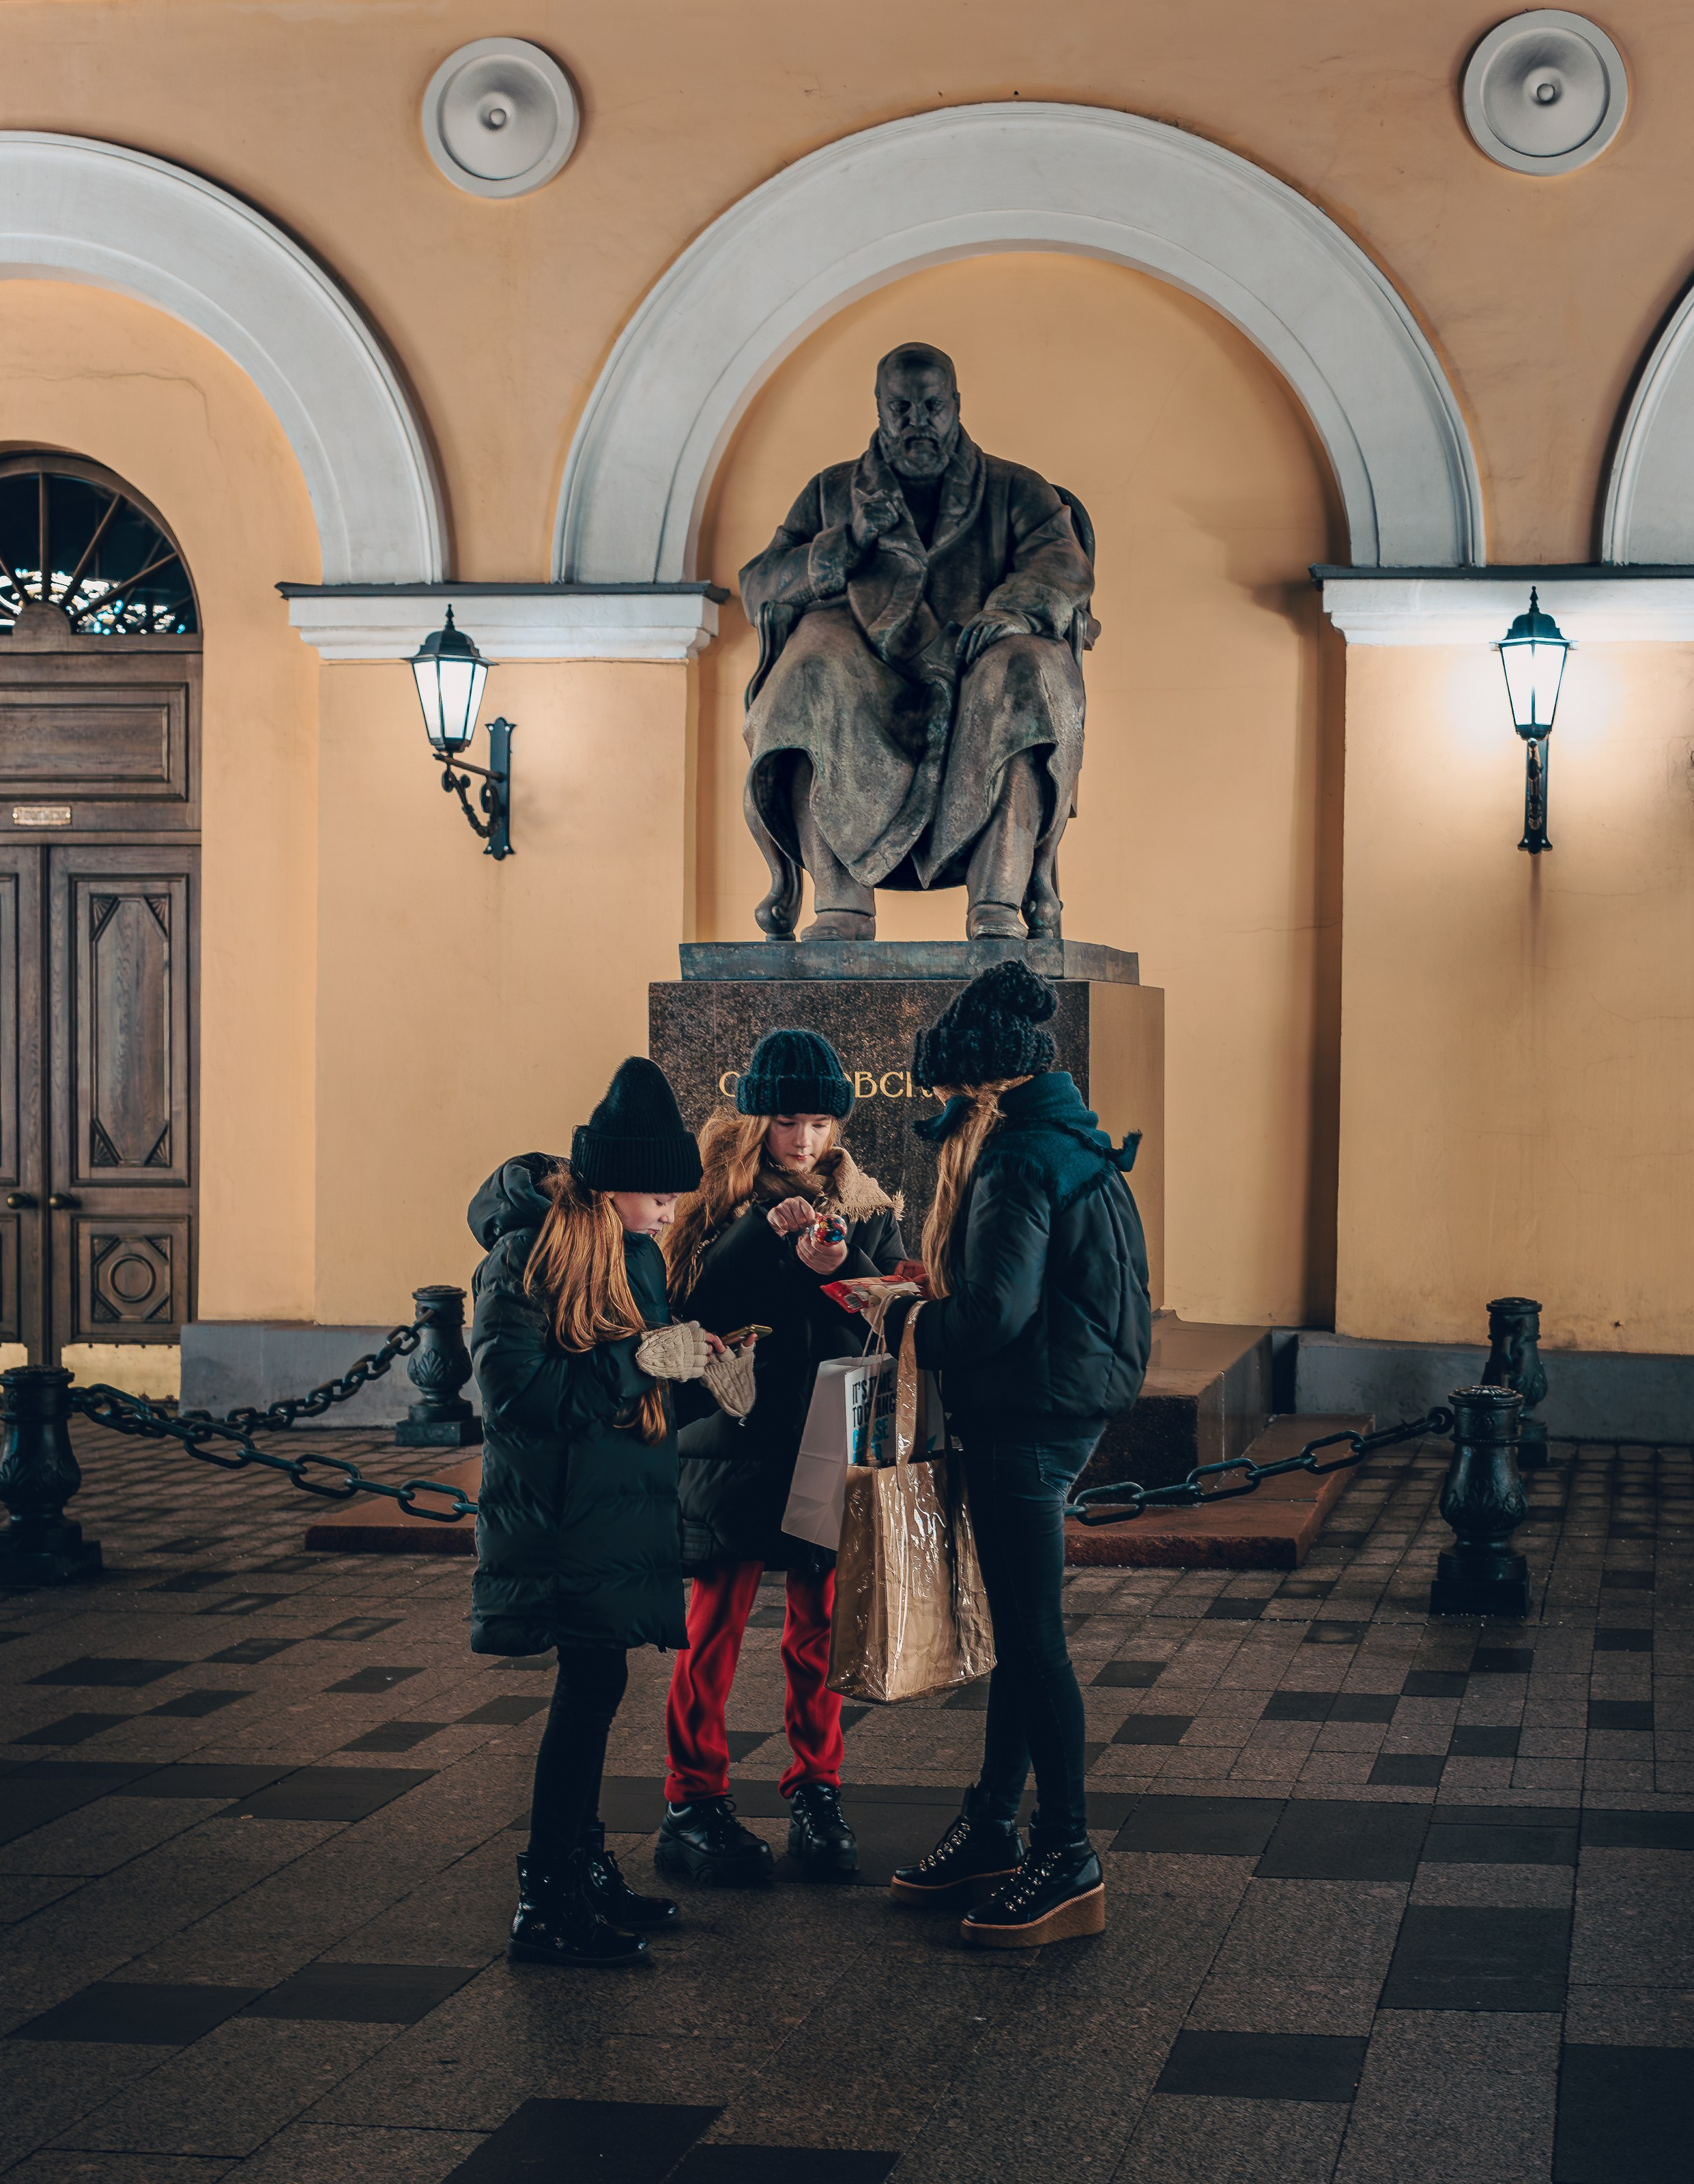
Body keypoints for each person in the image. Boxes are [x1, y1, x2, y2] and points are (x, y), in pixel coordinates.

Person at [468, 1056, 758, 1969]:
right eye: (659, 1196)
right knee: (587, 1692)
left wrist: (714, 1374)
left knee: (596, 1691)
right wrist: (654, 1359)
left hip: (612, 1509)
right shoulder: (528, 1251)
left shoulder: (630, 1249)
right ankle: (548, 1899)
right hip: (560, 1515)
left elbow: (638, 1385)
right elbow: (517, 1396)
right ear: (612, 1181)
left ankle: (581, 1871)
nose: (671, 1212)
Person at [885, 962, 1151, 1947]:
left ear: (978, 1092)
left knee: (1034, 1640)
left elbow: (996, 1313)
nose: (945, 1120)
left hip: (1026, 1417)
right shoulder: (1070, 1140)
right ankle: (995, 1825)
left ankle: (1066, 1853)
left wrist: (907, 1315)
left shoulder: (1014, 1159)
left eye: (950, 1099)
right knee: (1017, 1628)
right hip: (1063, 1404)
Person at [738, 341, 1097, 942]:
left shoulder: (1017, 489)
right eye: (900, 408)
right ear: (878, 409)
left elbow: (1064, 563)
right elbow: (759, 586)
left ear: (956, 405)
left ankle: (997, 902)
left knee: (1022, 671)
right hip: (863, 688)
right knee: (806, 669)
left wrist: (1013, 611)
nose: (917, 422)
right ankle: (841, 905)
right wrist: (846, 542)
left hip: (976, 670)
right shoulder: (833, 493)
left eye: (931, 406)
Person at [657, 1029, 907, 1885]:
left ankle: (817, 1789)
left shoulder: (861, 1202)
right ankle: (693, 1797)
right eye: (787, 1119)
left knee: (817, 1632)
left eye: (819, 1120)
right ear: (756, 1118)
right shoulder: (711, 1198)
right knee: (710, 1630)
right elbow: (688, 1303)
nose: (804, 1139)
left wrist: (838, 1264)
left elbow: (871, 1322)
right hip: (728, 1446)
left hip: (819, 1440)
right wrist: (764, 1239)